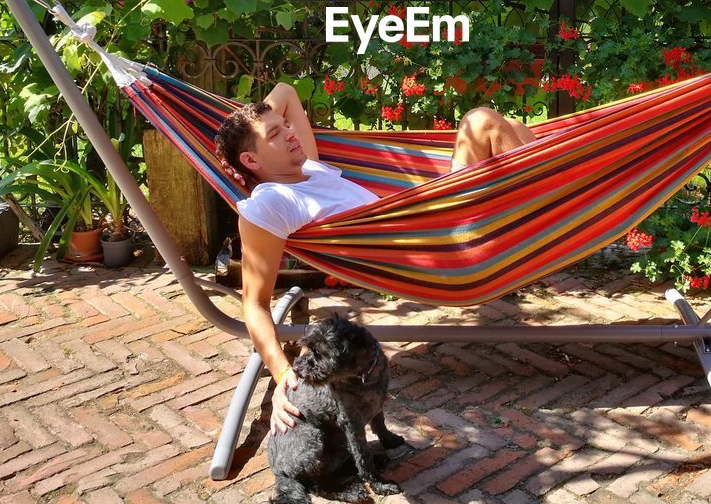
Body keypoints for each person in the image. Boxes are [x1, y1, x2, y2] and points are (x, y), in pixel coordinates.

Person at [214, 82, 534, 436]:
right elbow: (254, 304)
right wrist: (281, 372)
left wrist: (252, 126)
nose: (290, 132)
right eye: (276, 133)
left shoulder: (309, 169)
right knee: (482, 123)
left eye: (285, 125)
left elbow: (287, 92)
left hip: (443, 224)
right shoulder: (271, 202)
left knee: (514, 131)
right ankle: (546, 216)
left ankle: (547, 212)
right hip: (446, 252)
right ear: (251, 160)